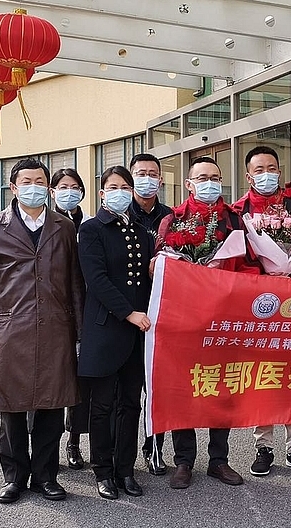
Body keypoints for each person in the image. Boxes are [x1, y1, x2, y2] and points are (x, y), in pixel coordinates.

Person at [0, 157, 84, 504]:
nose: (34, 187)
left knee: (52, 407)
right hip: (11, 333)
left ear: (48, 188)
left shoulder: (64, 227)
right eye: (26, 181)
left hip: (55, 330)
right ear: (13, 188)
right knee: (13, 409)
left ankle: (46, 476)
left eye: (40, 181)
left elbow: (74, 282)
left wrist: (79, 331)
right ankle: (15, 476)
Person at [158, 156, 257, 490]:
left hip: (226, 319)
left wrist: (228, 284)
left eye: (215, 177)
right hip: (184, 319)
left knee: (221, 386)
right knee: (184, 388)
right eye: (202, 177)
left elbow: (251, 265)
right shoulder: (173, 219)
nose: (209, 183)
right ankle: (184, 461)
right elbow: (159, 265)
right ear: (189, 184)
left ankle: (219, 460)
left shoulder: (235, 219)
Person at [232, 144, 291, 476]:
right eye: (259, 170)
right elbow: (234, 259)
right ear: (248, 175)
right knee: (262, 375)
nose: (267, 175)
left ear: (280, 171)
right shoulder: (237, 212)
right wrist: (263, 276)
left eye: (272, 168)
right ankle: (263, 446)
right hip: (258, 307)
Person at [78, 165, 156, 499]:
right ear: (102, 193)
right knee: (102, 406)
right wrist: (129, 313)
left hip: (139, 332)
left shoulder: (141, 232)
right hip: (107, 329)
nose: (121, 192)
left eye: (126, 186)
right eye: (113, 187)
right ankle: (103, 471)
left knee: (131, 404)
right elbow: (96, 281)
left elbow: (149, 280)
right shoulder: (92, 229)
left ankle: (126, 469)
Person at [128, 152, 174, 476]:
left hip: (165, 316)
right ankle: (123, 456)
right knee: (128, 392)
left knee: (158, 388)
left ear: (160, 179)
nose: (147, 178)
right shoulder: (119, 215)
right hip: (129, 315)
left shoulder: (172, 218)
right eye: (140, 173)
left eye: (152, 173)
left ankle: (154, 449)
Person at [50, 168, 91, 472]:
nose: (69, 191)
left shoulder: (89, 224)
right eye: (63, 186)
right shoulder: (44, 223)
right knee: (51, 382)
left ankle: (74, 441)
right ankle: (45, 447)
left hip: (84, 310)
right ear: (52, 191)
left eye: (75, 187)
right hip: (52, 312)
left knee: (80, 384)